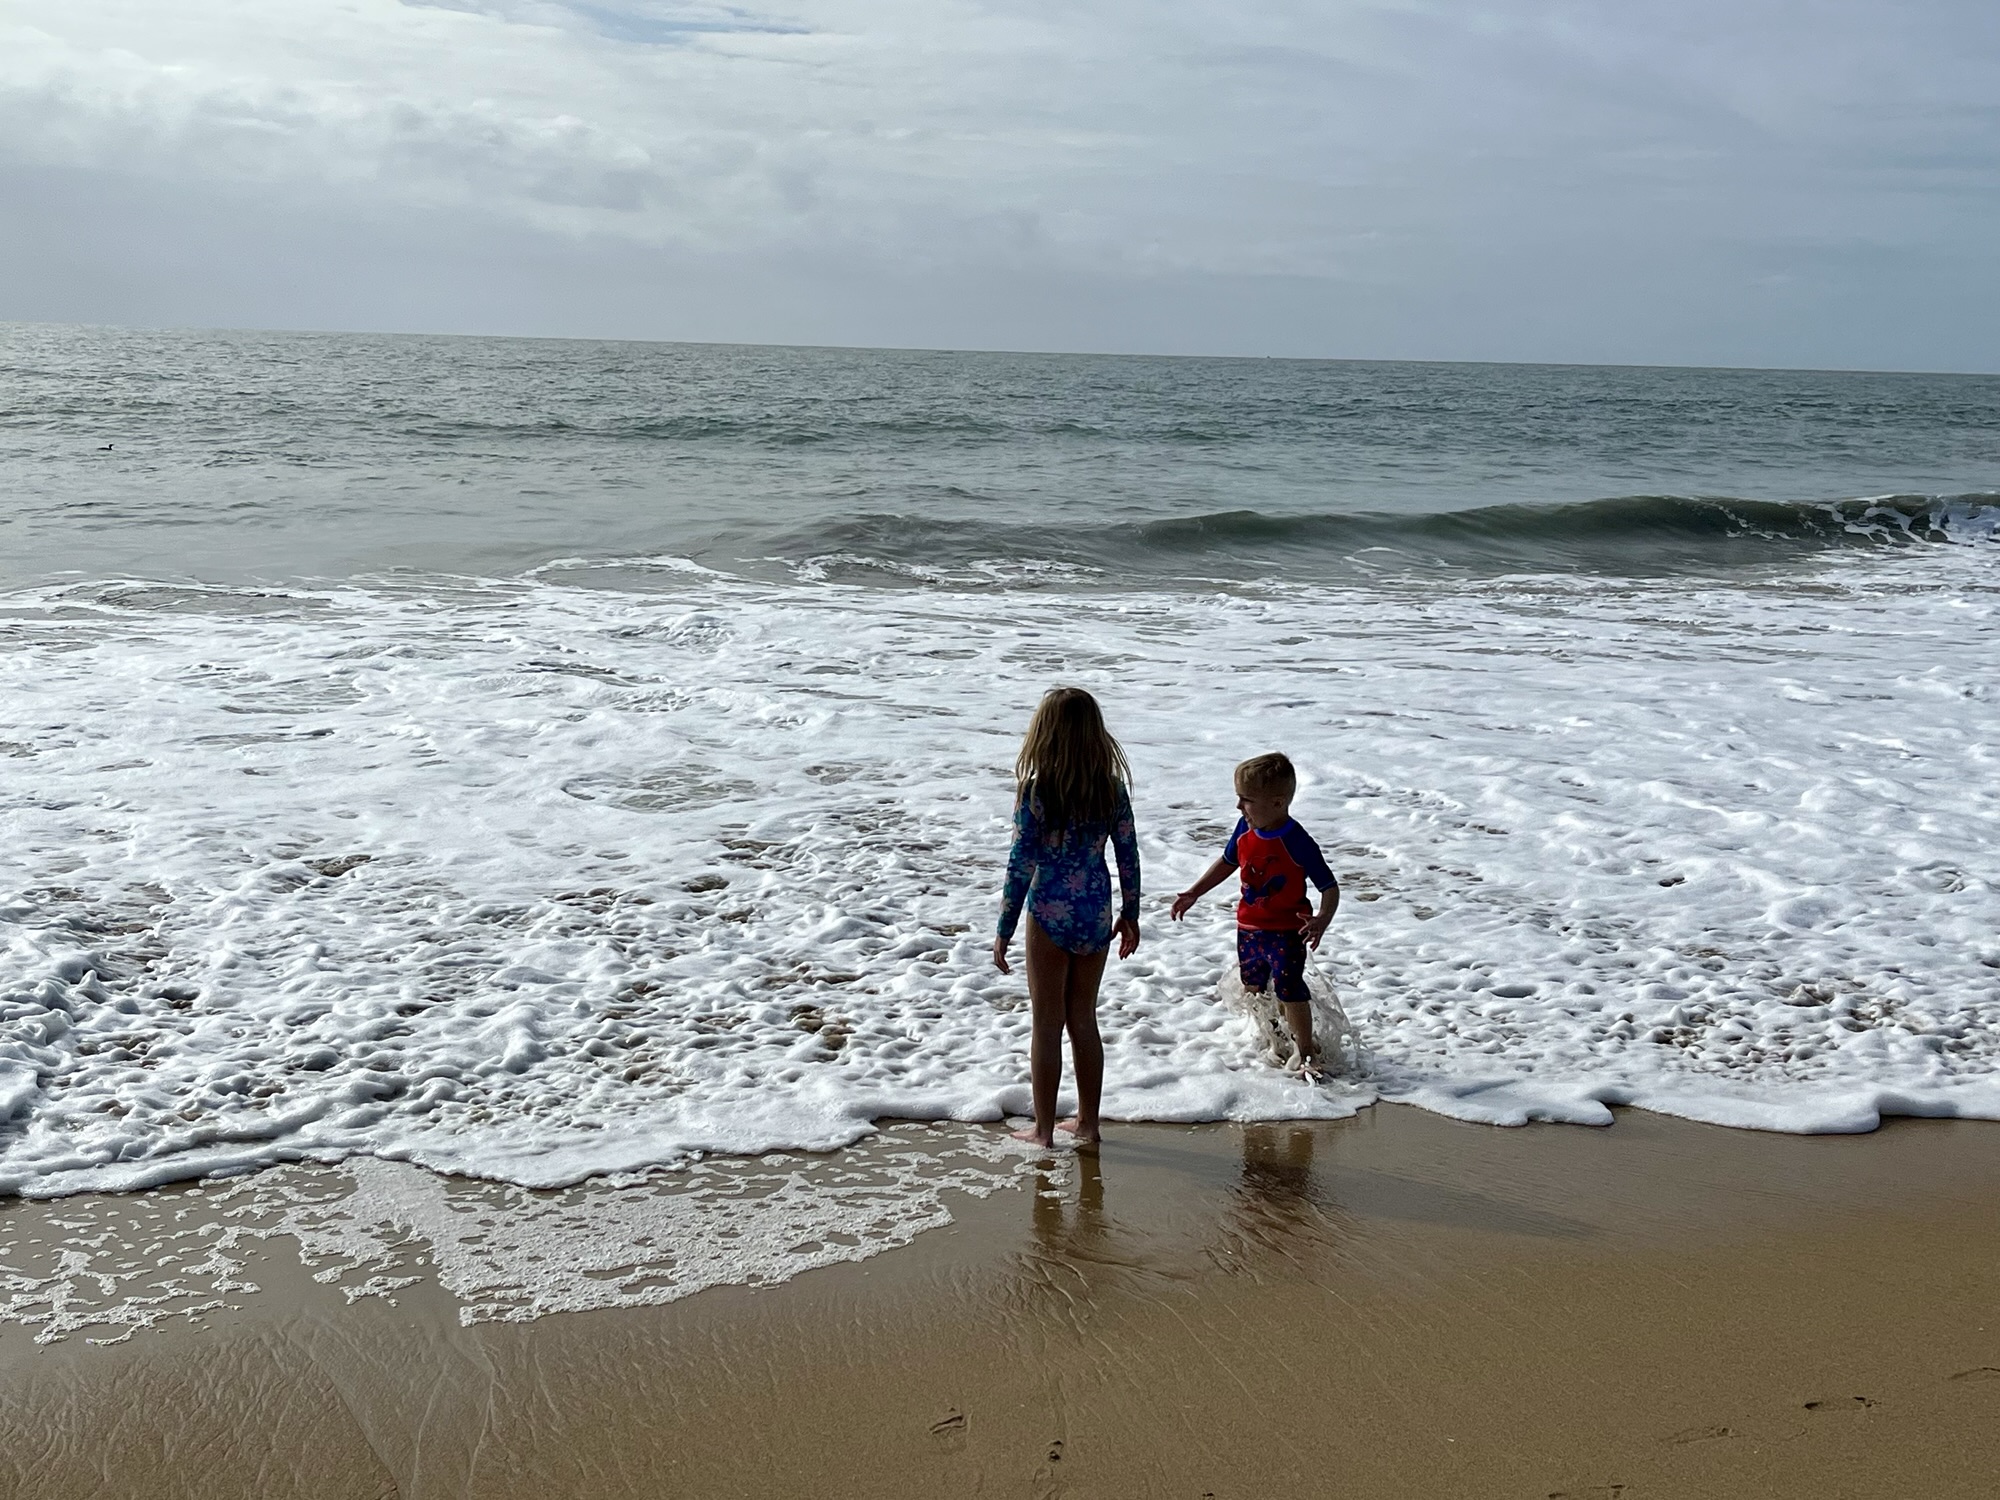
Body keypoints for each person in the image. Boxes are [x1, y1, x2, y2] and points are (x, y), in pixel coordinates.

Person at [992, 687, 1140, 1149]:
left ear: (1045, 734)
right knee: (1083, 1020)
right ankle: (1089, 1124)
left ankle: (1042, 1129)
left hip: (1049, 911)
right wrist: (1131, 914)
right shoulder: (1109, 787)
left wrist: (1004, 927)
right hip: (1095, 909)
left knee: (1046, 1024)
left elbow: (1021, 862)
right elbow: (1129, 854)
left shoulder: (1038, 789)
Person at [1170, 752, 1339, 1073]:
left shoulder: (1297, 840)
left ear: (1277, 803)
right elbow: (1227, 862)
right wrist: (1194, 891)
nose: (1238, 807)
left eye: (1246, 800)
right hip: (1248, 928)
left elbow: (1329, 886)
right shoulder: (1244, 829)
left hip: (1287, 930)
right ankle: (1277, 1041)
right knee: (1255, 988)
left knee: (1291, 988)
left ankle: (1305, 1052)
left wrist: (1322, 920)